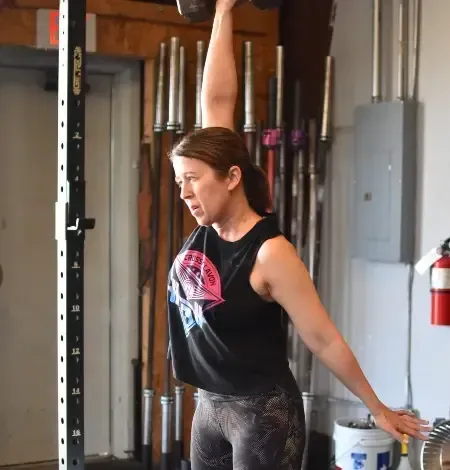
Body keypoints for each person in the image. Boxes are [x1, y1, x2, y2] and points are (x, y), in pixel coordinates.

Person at [166, 0, 431, 468]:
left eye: (192, 179)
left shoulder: (270, 254)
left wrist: (377, 408)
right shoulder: (208, 222)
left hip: (263, 415)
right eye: (179, 181)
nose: (184, 192)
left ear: (231, 177)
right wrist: (224, 10)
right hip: (208, 407)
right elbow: (218, 100)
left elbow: (324, 340)